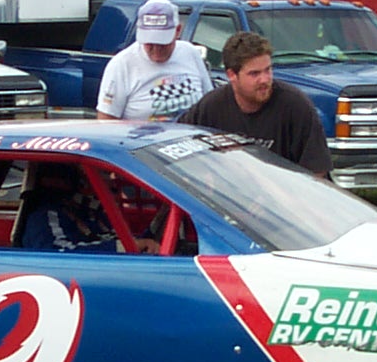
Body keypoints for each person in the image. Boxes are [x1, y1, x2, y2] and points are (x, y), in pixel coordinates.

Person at [178, 31, 331, 174]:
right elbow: (180, 144)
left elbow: (317, 173)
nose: (264, 79)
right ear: (232, 75)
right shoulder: (211, 107)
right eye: (254, 73)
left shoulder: (295, 106)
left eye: (268, 70)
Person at [96, 0, 211, 121]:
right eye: (150, 43)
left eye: (163, 43)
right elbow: (106, 121)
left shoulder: (190, 53)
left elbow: (209, 103)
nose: (156, 50)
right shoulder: (122, 64)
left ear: (177, 31)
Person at [17, 163, 152, 253]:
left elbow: (127, 241)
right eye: (103, 173)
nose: (111, 182)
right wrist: (121, 247)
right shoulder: (44, 218)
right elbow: (57, 254)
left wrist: (150, 235)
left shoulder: (92, 213)